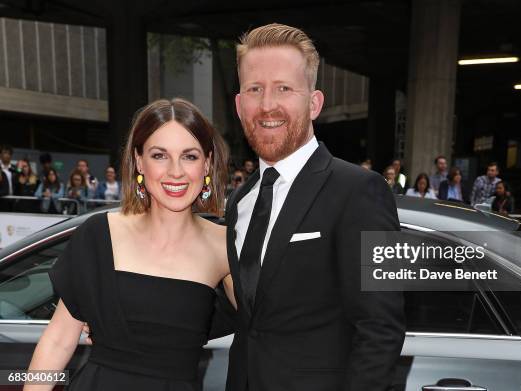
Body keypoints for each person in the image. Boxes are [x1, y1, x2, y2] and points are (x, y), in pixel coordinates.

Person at [224, 23, 405, 391]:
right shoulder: (240, 201)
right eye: (255, 89)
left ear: (315, 102)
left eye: (284, 89)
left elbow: (380, 329)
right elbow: (247, 314)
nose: (267, 105)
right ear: (240, 105)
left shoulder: (361, 191)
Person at [26, 98, 234, 391]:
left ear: (207, 163)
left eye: (189, 156)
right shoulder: (99, 234)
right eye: (160, 155)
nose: (175, 171)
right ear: (139, 161)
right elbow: (58, 340)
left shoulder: (226, 246)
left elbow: (269, 324)